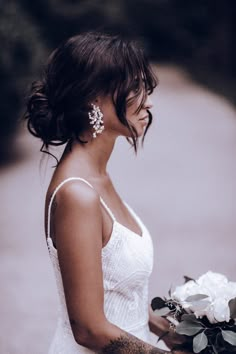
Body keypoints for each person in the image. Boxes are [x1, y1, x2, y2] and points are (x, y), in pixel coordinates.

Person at [24, 32, 191, 354]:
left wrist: (174, 332)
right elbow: (88, 328)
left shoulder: (97, 176)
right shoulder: (77, 194)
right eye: (136, 88)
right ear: (93, 99)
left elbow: (115, 292)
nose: (149, 101)